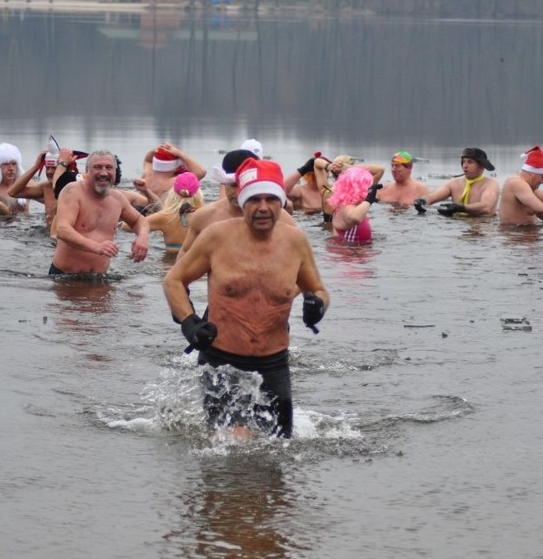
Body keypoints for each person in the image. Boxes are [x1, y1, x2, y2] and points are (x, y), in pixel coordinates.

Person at [163, 157, 329, 439]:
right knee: (231, 445)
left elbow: (319, 290)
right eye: (254, 200)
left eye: (270, 199)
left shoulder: (295, 242)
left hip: (274, 363)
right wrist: (189, 323)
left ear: (281, 202)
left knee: (277, 450)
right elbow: (174, 280)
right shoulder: (216, 236)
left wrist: (317, 307)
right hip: (222, 360)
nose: (263, 208)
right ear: (242, 201)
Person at [49, 150, 150, 275]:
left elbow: (139, 220)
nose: (103, 172)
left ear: (114, 171)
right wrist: (97, 247)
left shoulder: (117, 199)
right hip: (65, 276)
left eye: (109, 167)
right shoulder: (72, 191)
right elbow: (62, 230)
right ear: (87, 171)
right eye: (97, 167)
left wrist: (142, 237)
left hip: (100, 278)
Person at [414, 147, 498, 217]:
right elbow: (433, 196)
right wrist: (422, 201)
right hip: (457, 226)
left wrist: (460, 208)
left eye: (470, 162)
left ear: (481, 165)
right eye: (463, 161)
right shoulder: (454, 184)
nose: (465, 165)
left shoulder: (490, 184)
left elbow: (487, 207)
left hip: (483, 225)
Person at [138, 171, 205, 255]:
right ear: (198, 194)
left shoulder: (164, 217)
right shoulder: (206, 216)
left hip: (169, 265)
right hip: (196, 265)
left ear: (173, 193)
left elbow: (128, 226)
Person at [498, 146, 543, 226]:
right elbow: (541, 210)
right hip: (516, 233)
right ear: (532, 173)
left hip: (527, 230)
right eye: (542, 176)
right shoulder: (517, 183)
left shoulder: (528, 186)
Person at [327, 166, 382, 244]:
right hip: (348, 253)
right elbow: (355, 218)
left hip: (355, 252)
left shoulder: (351, 205)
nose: (369, 189)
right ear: (361, 188)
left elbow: (380, 169)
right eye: (368, 187)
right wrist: (368, 200)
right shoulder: (346, 207)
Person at [142, 142, 207, 196]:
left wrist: (154, 150)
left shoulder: (147, 175)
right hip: (166, 210)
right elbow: (201, 172)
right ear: (176, 166)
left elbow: (148, 161)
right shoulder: (176, 182)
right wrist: (180, 154)